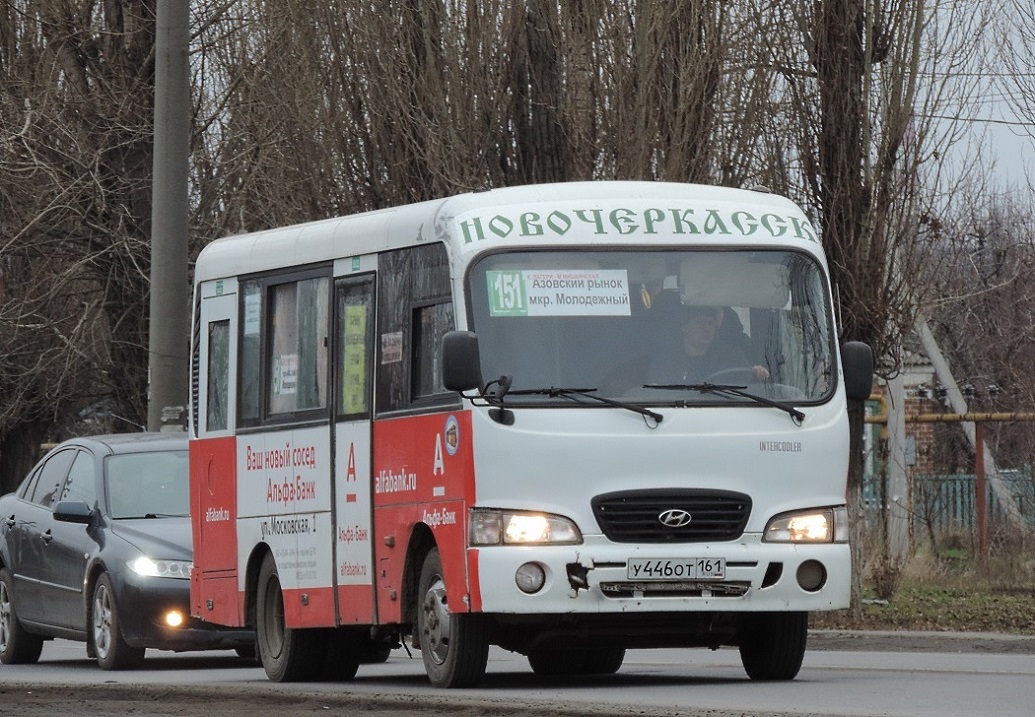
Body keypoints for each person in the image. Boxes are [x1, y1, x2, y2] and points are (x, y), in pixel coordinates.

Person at [649, 304, 769, 384]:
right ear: (684, 327)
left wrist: (756, 374)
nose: (706, 328)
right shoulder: (666, 362)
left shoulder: (731, 356)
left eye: (710, 323)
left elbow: (748, 385)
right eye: (700, 322)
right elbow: (656, 396)